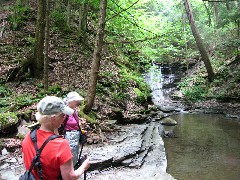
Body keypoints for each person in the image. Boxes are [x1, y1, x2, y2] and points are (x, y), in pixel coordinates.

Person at [21, 96, 90, 180]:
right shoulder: (61, 144)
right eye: (63, 115)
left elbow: (29, 165)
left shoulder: (28, 137)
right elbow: (69, 178)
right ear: (54, 118)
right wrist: (84, 167)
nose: (64, 118)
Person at [61, 91, 85, 166]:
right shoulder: (65, 112)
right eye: (76, 101)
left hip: (75, 137)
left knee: (74, 155)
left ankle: (72, 171)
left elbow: (75, 124)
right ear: (71, 101)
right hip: (68, 136)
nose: (78, 102)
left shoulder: (73, 111)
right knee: (69, 156)